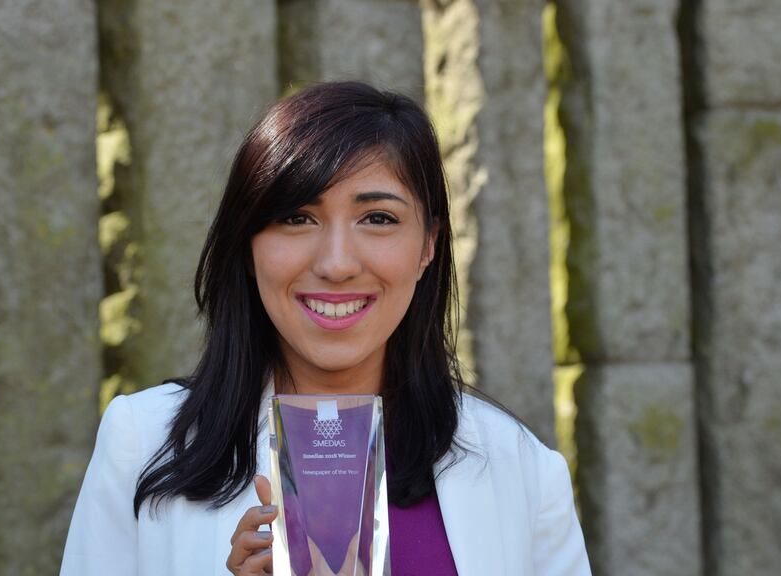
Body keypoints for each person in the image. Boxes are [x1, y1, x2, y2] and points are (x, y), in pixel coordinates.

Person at [60, 81, 591, 576]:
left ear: (429, 243)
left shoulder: (520, 469)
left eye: (378, 218)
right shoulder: (143, 443)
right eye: (297, 217)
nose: (336, 264)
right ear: (248, 245)